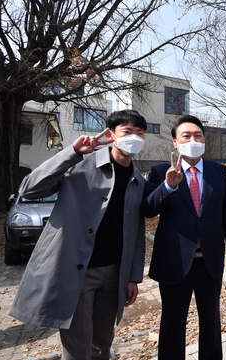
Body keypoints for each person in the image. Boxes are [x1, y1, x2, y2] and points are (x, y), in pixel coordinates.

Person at [10, 110, 148, 360]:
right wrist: (71, 152)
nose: (135, 138)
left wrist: (133, 277)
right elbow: (29, 189)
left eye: (140, 133)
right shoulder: (79, 165)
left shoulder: (138, 180)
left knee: (102, 343)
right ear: (111, 135)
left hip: (115, 273)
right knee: (78, 348)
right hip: (78, 272)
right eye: (127, 132)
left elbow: (137, 233)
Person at [142, 115, 226, 360]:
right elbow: (147, 209)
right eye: (186, 136)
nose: (193, 140)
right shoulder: (158, 171)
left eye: (198, 135)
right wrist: (168, 187)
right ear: (175, 142)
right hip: (174, 258)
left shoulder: (218, 171)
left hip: (210, 257)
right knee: (173, 322)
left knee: (211, 319)